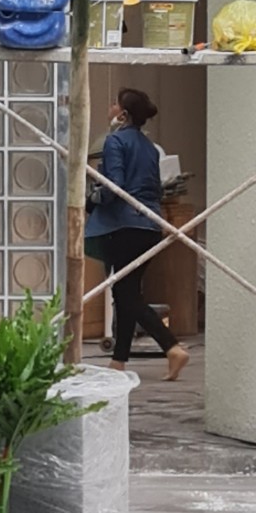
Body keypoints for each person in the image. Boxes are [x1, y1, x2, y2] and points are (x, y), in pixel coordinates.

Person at [85, 87, 191, 381]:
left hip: (123, 226)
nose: (110, 107)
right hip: (149, 226)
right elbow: (155, 188)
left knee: (126, 294)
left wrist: (91, 200)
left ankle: (171, 347)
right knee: (127, 292)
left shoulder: (115, 141)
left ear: (123, 114)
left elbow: (115, 186)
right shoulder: (150, 148)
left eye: (114, 103)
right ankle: (119, 361)